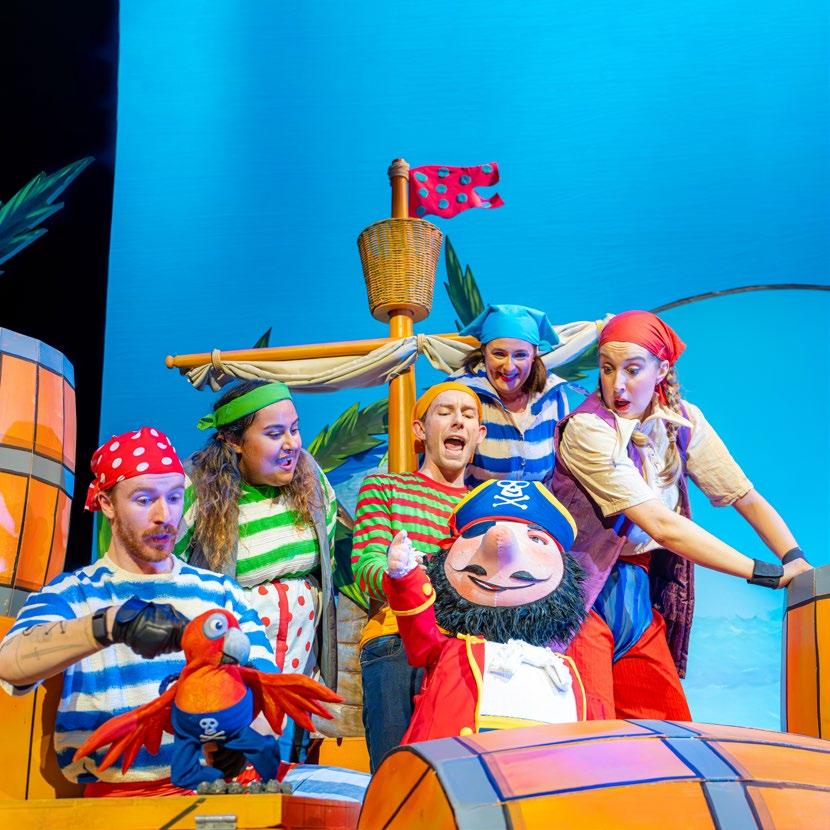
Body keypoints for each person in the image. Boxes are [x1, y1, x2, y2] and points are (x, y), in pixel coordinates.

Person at [549, 310, 812, 720]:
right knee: (588, 728)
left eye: (632, 369)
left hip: (636, 594)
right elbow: (662, 525)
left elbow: (743, 495)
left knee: (669, 728)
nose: (617, 384)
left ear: (661, 370)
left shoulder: (682, 420)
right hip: (581, 596)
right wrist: (765, 573)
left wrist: (795, 560)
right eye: (607, 368)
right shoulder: (588, 429)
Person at [0, 427, 275, 796]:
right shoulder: (75, 594)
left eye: (174, 497)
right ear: (107, 503)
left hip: (217, 792)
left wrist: (243, 737)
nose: (165, 515)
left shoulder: (220, 593)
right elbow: (10, 663)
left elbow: (269, 691)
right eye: (144, 500)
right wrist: (108, 626)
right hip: (122, 801)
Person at [383, 479, 588, 741]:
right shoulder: (452, 651)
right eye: (479, 532)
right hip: (455, 764)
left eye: (536, 539)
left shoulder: (562, 669)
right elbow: (419, 636)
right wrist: (406, 579)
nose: (498, 542)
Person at [351, 381, 485, 770]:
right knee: (396, 774)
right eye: (445, 412)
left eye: (467, 415)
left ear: (479, 434)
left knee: (457, 776)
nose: (457, 421)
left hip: (461, 651)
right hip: (397, 641)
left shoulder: (484, 507)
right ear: (420, 429)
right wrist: (401, 575)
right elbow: (366, 564)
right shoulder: (384, 487)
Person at [177, 380, 337, 690]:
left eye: (294, 429)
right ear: (234, 440)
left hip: (301, 668)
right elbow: (171, 577)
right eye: (275, 434)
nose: (291, 443)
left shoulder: (311, 479)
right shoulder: (197, 488)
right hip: (230, 675)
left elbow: (326, 561)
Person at [450, 304, 598, 485]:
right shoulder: (460, 395)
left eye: (520, 355)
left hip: (539, 502)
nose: (509, 367)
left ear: (534, 355)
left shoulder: (554, 395)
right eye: (499, 354)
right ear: (484, 351)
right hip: (475, 502)